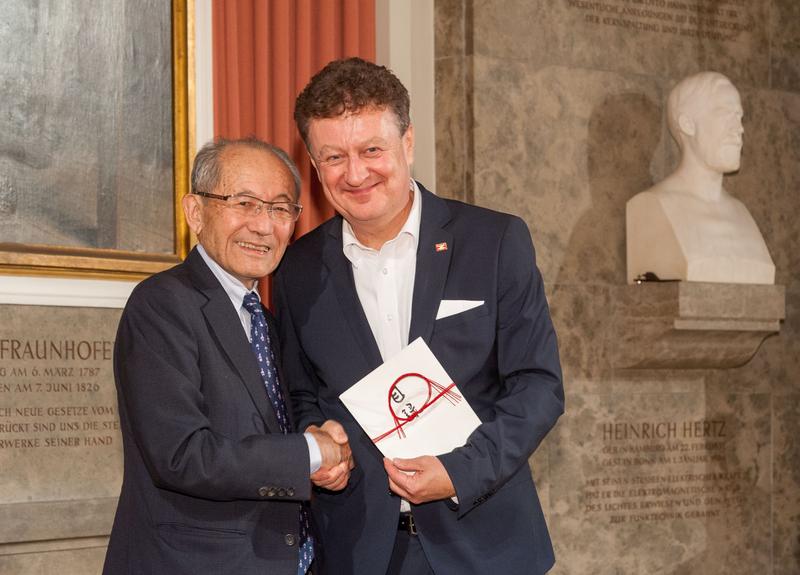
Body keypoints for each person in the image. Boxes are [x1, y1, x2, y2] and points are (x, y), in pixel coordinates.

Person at [273, 58, 564, 575]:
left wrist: (459, 472)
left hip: (485, 546)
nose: (355, 173)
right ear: (315, 166)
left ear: (407, 143)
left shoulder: (494, 242)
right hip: (360, 549)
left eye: (371, 150)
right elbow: (299, 392)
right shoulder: (296, 267)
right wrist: (319, 441)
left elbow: (538, 387)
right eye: (334, 157)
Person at [104, 138, 353, 575]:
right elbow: (183, 455)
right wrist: (310, 453)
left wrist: (315, 434)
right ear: (195, 212)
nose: (263, 226)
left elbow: (266, 423)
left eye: (280, 209)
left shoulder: (266, 319)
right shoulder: (162, 304)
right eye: (244, 203)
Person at [626, 71, 775, 284]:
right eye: (725, 114)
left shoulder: (741, 213)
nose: (739, 129)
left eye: (739, 117)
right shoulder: (651, 206)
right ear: (688, 124)